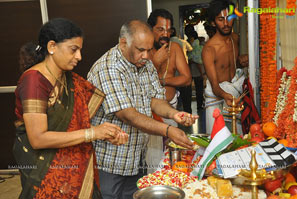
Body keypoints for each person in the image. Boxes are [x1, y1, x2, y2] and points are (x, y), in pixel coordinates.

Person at [13, 18, 128, 199]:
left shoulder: (69, 79)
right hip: (44, 171)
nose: (79, 57)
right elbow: (37, 139)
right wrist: (93, 133)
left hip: (73, 167)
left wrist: (107, 133)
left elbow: (82, 120)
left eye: (80, 50)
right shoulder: (34, 82)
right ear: (52, 47)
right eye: (73, 50)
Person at [87, 20, 197, 199]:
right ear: (124, 43)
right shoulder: (108, 68)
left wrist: (174, 114)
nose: (147, 56)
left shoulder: (143, 63)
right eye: (141, 50)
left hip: (137, 157)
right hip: (110, 162)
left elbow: (154, 100)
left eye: (149, 49)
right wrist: (168, 130)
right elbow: (128, 115)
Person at [202, 0, 249, 135]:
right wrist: (226, 95)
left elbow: (231, 65)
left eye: (229, 18)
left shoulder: (235, 39)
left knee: (237, 140)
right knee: (219, 141)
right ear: (213, 22)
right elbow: (215, 86)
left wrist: (242, 61)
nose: (226, 23)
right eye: (221, 19)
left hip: (234, 95)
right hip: (219, 98)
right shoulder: (209, 49)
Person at [147, 9, 192, 123]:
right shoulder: (143, 49)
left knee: (171, 140)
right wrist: (156, 63)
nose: (165, 35)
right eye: (160, 29)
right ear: (150, 29)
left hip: (170, 108)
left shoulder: (175, 48)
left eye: (168, 30)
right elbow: (140, 82)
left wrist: (163, 82)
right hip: (147, 109)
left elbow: (187, 79)